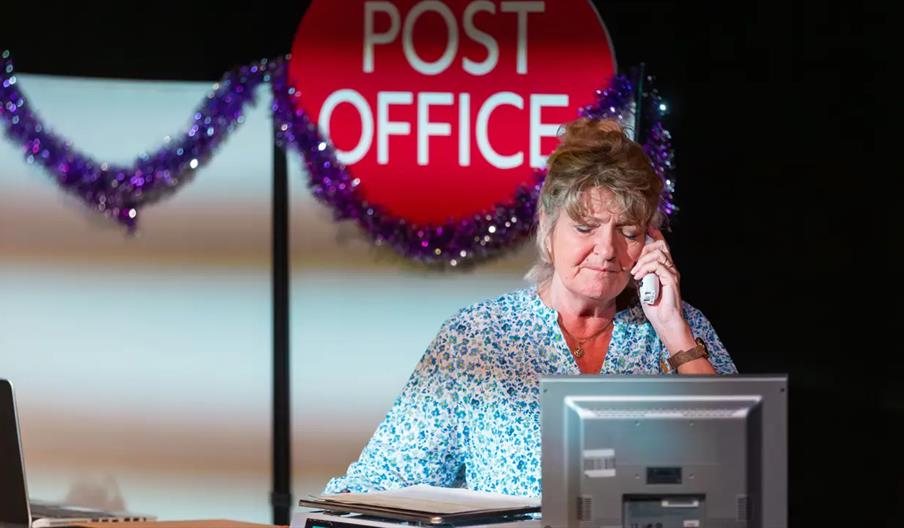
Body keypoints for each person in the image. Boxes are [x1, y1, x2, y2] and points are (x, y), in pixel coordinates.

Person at [324, 118, 737, 497]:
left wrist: (673, 331)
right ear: (547, 224)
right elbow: (382, 481)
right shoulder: (478, 336)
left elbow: (739, 467)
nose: (607, 250)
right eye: (585, 228)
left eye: (627, 232)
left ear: (649, 240)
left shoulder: (680, 330)